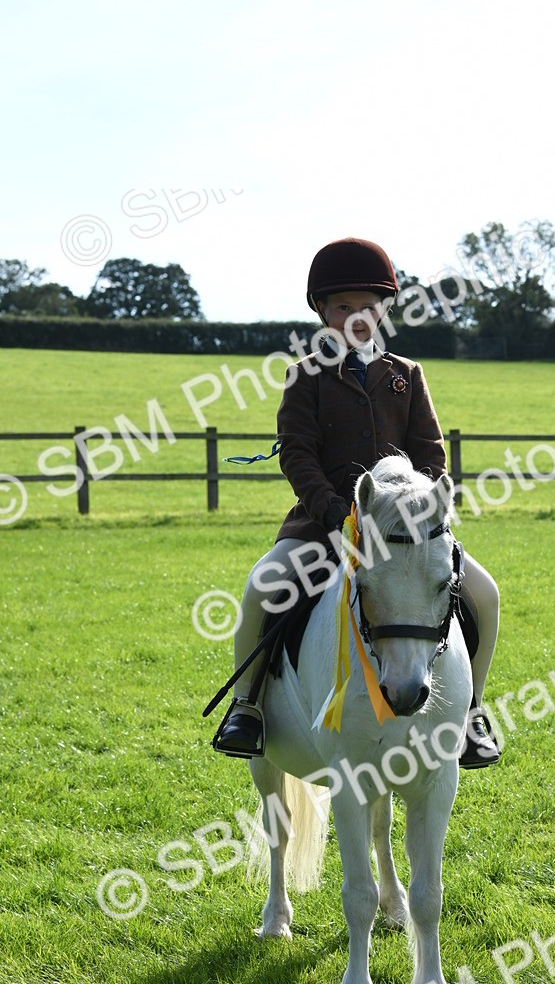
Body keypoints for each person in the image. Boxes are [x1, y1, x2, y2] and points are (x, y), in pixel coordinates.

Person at [214, 237, 500, 768]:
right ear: (323, 312)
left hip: (406, 533)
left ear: (385, 309)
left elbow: (431, 455)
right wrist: (333, 512)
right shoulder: (304, 377)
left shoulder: (407, 375)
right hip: (322, 526)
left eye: (367, 306)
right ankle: (247, 705)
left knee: (485, 593)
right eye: (343, 307)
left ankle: (472, 713)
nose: (356, 317)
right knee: (262, 587)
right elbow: (298, 455)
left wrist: (418, 510)